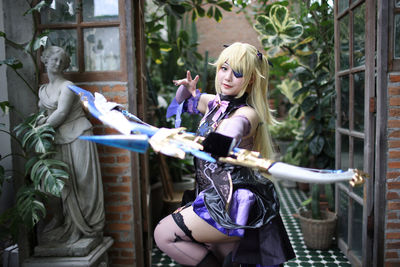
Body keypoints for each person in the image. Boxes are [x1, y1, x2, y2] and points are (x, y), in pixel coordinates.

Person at [154, 42, 295, 266]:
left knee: (164, 234)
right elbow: (178, 104)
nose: (227, 78)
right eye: (224, 68)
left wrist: (222, 138)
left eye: (237, 73)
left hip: (233, 202)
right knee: (221, 259)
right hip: (209, 195)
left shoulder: (248, 112)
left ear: (250, 79)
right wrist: (186, 89)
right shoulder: (213, 103)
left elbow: (236, 126)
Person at [38, 46, 105, 245]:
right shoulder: (43, 90)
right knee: (62, 184)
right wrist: (38, 122)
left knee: (83, 181)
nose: (57, 64)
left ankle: (87, 226)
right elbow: (41, 113)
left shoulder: (67, 86)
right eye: (54, 59)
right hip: (58, 139)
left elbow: (60, 114)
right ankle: (66, 221)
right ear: (46, 60)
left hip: (79, 136)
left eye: (62, 61)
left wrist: (38, 130)